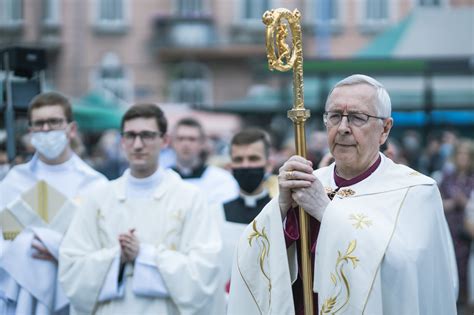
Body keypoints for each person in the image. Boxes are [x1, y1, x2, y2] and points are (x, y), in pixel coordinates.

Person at [228, 74, 458, 315]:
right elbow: (250, 258)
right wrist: (280, 210)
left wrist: (326, 212)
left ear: (385, 129)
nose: (343, 128)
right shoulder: (311, 182)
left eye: (358, 117)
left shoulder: (417, 191)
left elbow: (406, 275)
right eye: (335, 116)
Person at [58, 103, 223, 315]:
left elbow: (204, 271)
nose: (137, 144)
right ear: (122, 141)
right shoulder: (98, 198)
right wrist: (117, 256)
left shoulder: (190, 198)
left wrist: (144, 254)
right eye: (130, 135)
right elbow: (71, 269)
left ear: (164, 141)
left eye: (146, 135)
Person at [0, 91, 107, 314]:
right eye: (39, 123)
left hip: (73, 297)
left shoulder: (95, 185)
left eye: (54, 122)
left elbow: (104, 247)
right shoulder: (15, 180)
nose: (46, 129)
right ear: (31, 132)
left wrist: (60, 249)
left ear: (71, 129)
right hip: (21, 294)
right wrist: (24, 245)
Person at [218, 128, 276, 296]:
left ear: (269, 165)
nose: (246, 165)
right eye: (239, 159)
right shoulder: (215, 214)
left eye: (253, 158)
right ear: (230, 167)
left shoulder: (280, 212)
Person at [170, 117, 239, 206]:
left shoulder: (222, 180)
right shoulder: (163, 179)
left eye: (192, 139)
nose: (185, 144)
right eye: (180, 138)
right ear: (172, 142)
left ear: (202, 143)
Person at [439, 139, 474, 310]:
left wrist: (466, 202)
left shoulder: (472, 179)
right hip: (449, 228)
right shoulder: (446, 178)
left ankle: (465, 304)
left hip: (468, 233)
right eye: (459, 154)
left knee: (467, 271)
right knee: (447, 267)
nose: (462, 158)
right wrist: (453, 203)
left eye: (466, 155)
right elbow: (436, 203)